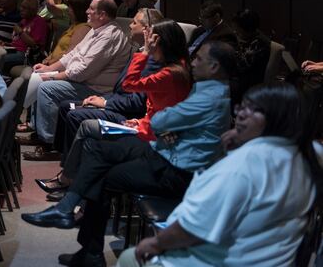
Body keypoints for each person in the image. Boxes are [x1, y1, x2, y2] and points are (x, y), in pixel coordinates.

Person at [24, 41, 235, 267]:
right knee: (97, 150)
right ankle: (68, 213)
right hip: (164, 150)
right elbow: (163, 121)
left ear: (214, 66)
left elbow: (162, 119)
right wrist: (169, 127)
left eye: (199, 59)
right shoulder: (207, 89)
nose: (193, 62)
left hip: (175, 169)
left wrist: (168, 127)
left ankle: (88, 248)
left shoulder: (207, 97)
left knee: (101, 175)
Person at [118, 83, 321, 267]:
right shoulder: (308, 153)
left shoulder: (243, 164)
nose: (241, 114)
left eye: (255, 109)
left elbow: (190, 230)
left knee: (129, 257)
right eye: (242, 107)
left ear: (278, 119)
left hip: (213, 261)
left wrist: (155, 243)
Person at [28, 0, 132, 153]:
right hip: (83, 82)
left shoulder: (109, 35)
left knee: (46, 88)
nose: (87, 12)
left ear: (102, 15)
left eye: (91, 9)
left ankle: (48, 143)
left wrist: (52, 76)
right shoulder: (96, 29)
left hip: (97, 89)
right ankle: (38, 131)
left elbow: (82, 71)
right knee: (38, 77)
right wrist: (47, 68)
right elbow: (73, 54)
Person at [230, 8, 271, 103]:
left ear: (247, 29)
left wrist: (234, 49)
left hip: (248, 83)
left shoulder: (260, 43)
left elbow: (241, 66)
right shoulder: (246, 38)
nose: (235, 32)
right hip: (239, 78)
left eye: (238, 29)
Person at [1, 0, 49, 73]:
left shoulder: (39, 22)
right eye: (21, 7)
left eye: (24, 8)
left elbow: (34, 44)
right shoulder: (23, 21)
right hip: (14, 50)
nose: (21, 10)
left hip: (26, 55)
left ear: (32, 10)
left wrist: (20, 32)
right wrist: (7, 44)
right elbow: (18, 42)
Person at [42, 0, 92, 65]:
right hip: (52, 64)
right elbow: (60, 48)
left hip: (60, 67)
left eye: (70, 8)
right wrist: (47, 59)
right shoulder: (73, 26)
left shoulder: (83, 28)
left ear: (78, 11)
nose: (68, 10)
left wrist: (48, 63)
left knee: (26, 74)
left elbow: (70, 53)